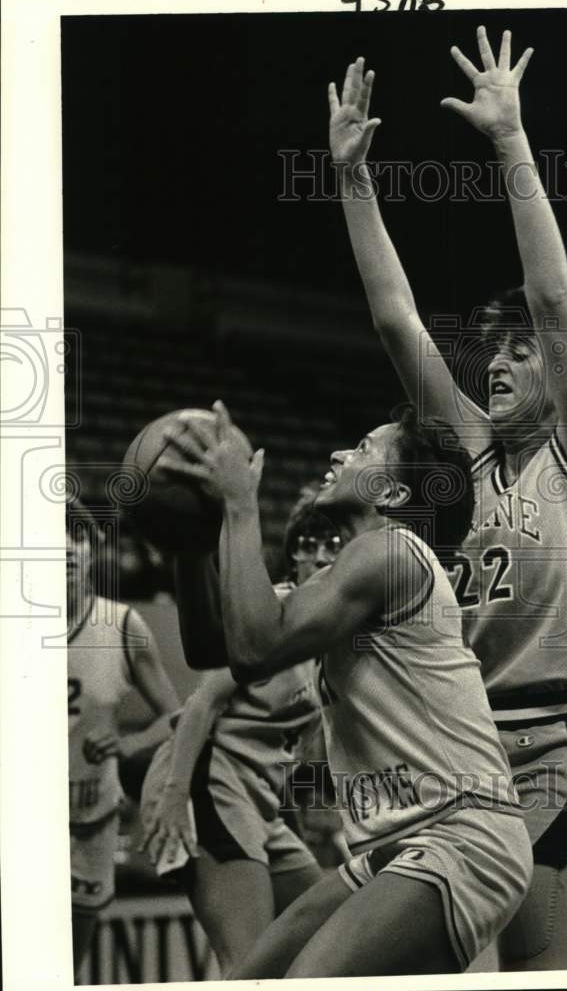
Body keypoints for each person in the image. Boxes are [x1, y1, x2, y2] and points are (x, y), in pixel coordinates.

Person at [330, 35, 567, 969]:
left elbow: (553, 298)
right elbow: (394, 319)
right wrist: (349, 179)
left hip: (553, 745)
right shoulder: (471, 451)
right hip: (457, 747)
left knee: (534, 980)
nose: (496, 362)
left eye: (519, 351)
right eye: (490, 350)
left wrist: (510, 143)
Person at [160, 400, 531, 977]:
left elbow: (256, 649)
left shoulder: (393, 554)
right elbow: (215, 649)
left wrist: (239, 504)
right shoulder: (344, 582)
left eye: (363, 449)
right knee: (249, 980)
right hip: (393, 846)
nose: (339, 453)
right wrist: (189, 545)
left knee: (307, 984)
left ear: (396, 494)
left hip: (465, 833)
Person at [138, 487, 338, 975]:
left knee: (329, 926)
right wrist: (173, 794)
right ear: (292, 554)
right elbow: (202, 703)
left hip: (258, 803)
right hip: (209, 784)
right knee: (247, 963)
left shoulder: (333, 629)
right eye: (306, 545)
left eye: (331, 543)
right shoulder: (270, 613)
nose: (318, 555)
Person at [67, 493, 180, 969]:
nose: (68, 549)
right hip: (23, 828)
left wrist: (130, 742)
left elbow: (179, 716)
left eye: (77, 537)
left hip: (90, 825)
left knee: (67, 965)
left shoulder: (123, 625)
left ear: (93, 549)